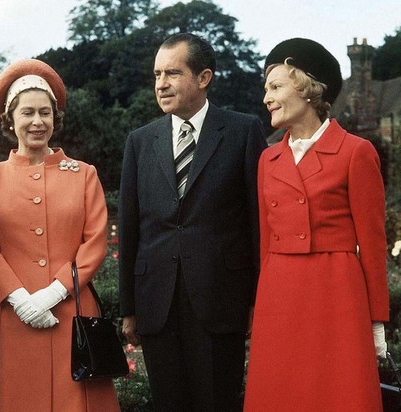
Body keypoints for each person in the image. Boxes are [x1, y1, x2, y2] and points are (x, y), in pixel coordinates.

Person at [119, 33, 267, 411]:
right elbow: (131, 226)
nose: (161, 84)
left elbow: (258, 222)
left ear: (203, 78)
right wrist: (128, 307)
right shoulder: (140, 141)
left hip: (221, 301)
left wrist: (257, 299)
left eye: (172, 73)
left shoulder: (242, 131)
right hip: (156, 303)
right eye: (156, 74)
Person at [0, 59, 120, 412]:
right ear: (10, 119)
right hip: (11, 316)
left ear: (56, 117)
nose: (37, 122)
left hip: (70, 311)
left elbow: (95, 241)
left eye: (46, 113)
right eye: (27, 113)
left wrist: (54, 291)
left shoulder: (83, 174)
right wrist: (21, 300)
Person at [243, 38, 389, 411]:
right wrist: (261, 310)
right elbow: (265, 248)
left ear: (308, 89)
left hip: (337, 294)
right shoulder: (268, 160)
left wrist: (376, 323)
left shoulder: (356, 152)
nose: (266, 98)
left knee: (338, 394)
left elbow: (373, 245)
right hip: (279, 296)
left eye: (275, 87)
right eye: (266, 90)